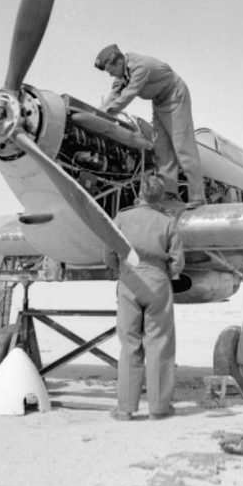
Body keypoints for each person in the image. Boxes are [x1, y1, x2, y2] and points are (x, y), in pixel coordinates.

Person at [105, 175, 186, 421]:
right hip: (158, 281)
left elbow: (108, 250)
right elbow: (178, 261)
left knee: (129, 344)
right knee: (159, 343)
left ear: (139, 193)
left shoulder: (122, 217)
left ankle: (125, 409)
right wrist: (164, 274)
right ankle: (158, 409)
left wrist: (121, 271)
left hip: (129, 280)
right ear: (161, 197)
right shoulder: (168, 222)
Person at [95, 44, 205, 208]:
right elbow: (114, 94)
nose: (111, 75)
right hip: (159, 102)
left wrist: (105, 113)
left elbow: (127, 95)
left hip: (175, 97)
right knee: (162, 149)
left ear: (118, 63)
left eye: (110, 71)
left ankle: (198, 197)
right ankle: (169, 195)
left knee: (183, 147)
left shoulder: (140, 67)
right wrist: (98, 113)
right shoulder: (121, 73)